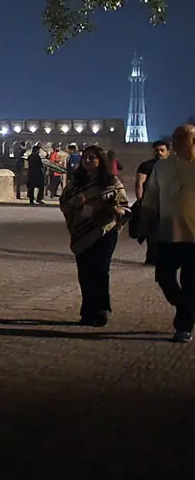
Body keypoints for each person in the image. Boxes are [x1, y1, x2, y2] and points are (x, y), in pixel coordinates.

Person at [59, 145, 129, 327]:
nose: (88, 161)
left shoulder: (111, 182)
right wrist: (77, 202)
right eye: (85, 158)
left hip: (105, 231)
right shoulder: (75, 184)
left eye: (92, 158)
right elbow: (64, 204)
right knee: (85, 273)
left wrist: (118, 210)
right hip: (81, 232)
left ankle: (101, 310)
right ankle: (87, 310)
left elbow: (124, 205)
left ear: (100, 160)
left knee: (100, 271)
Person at [140, 124, 195, 342]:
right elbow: (151, 196)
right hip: (167, 233)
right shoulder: (162, 168)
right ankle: (187, 308)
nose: (175, 144)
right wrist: (145, 220)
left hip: (193, 237)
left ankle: (184, 326)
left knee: (191, 282)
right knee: (163, 277)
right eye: (174, 139)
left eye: (181, 140)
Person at [136, 140, 170, 266]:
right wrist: (140, 200)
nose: (159, 153)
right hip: (152, 204)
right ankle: (152, 257)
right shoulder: (147, 166)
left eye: (162, 150)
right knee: (152, 232)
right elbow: (139, 183)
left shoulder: (173, 166)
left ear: (168, 152)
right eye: (157, 150)